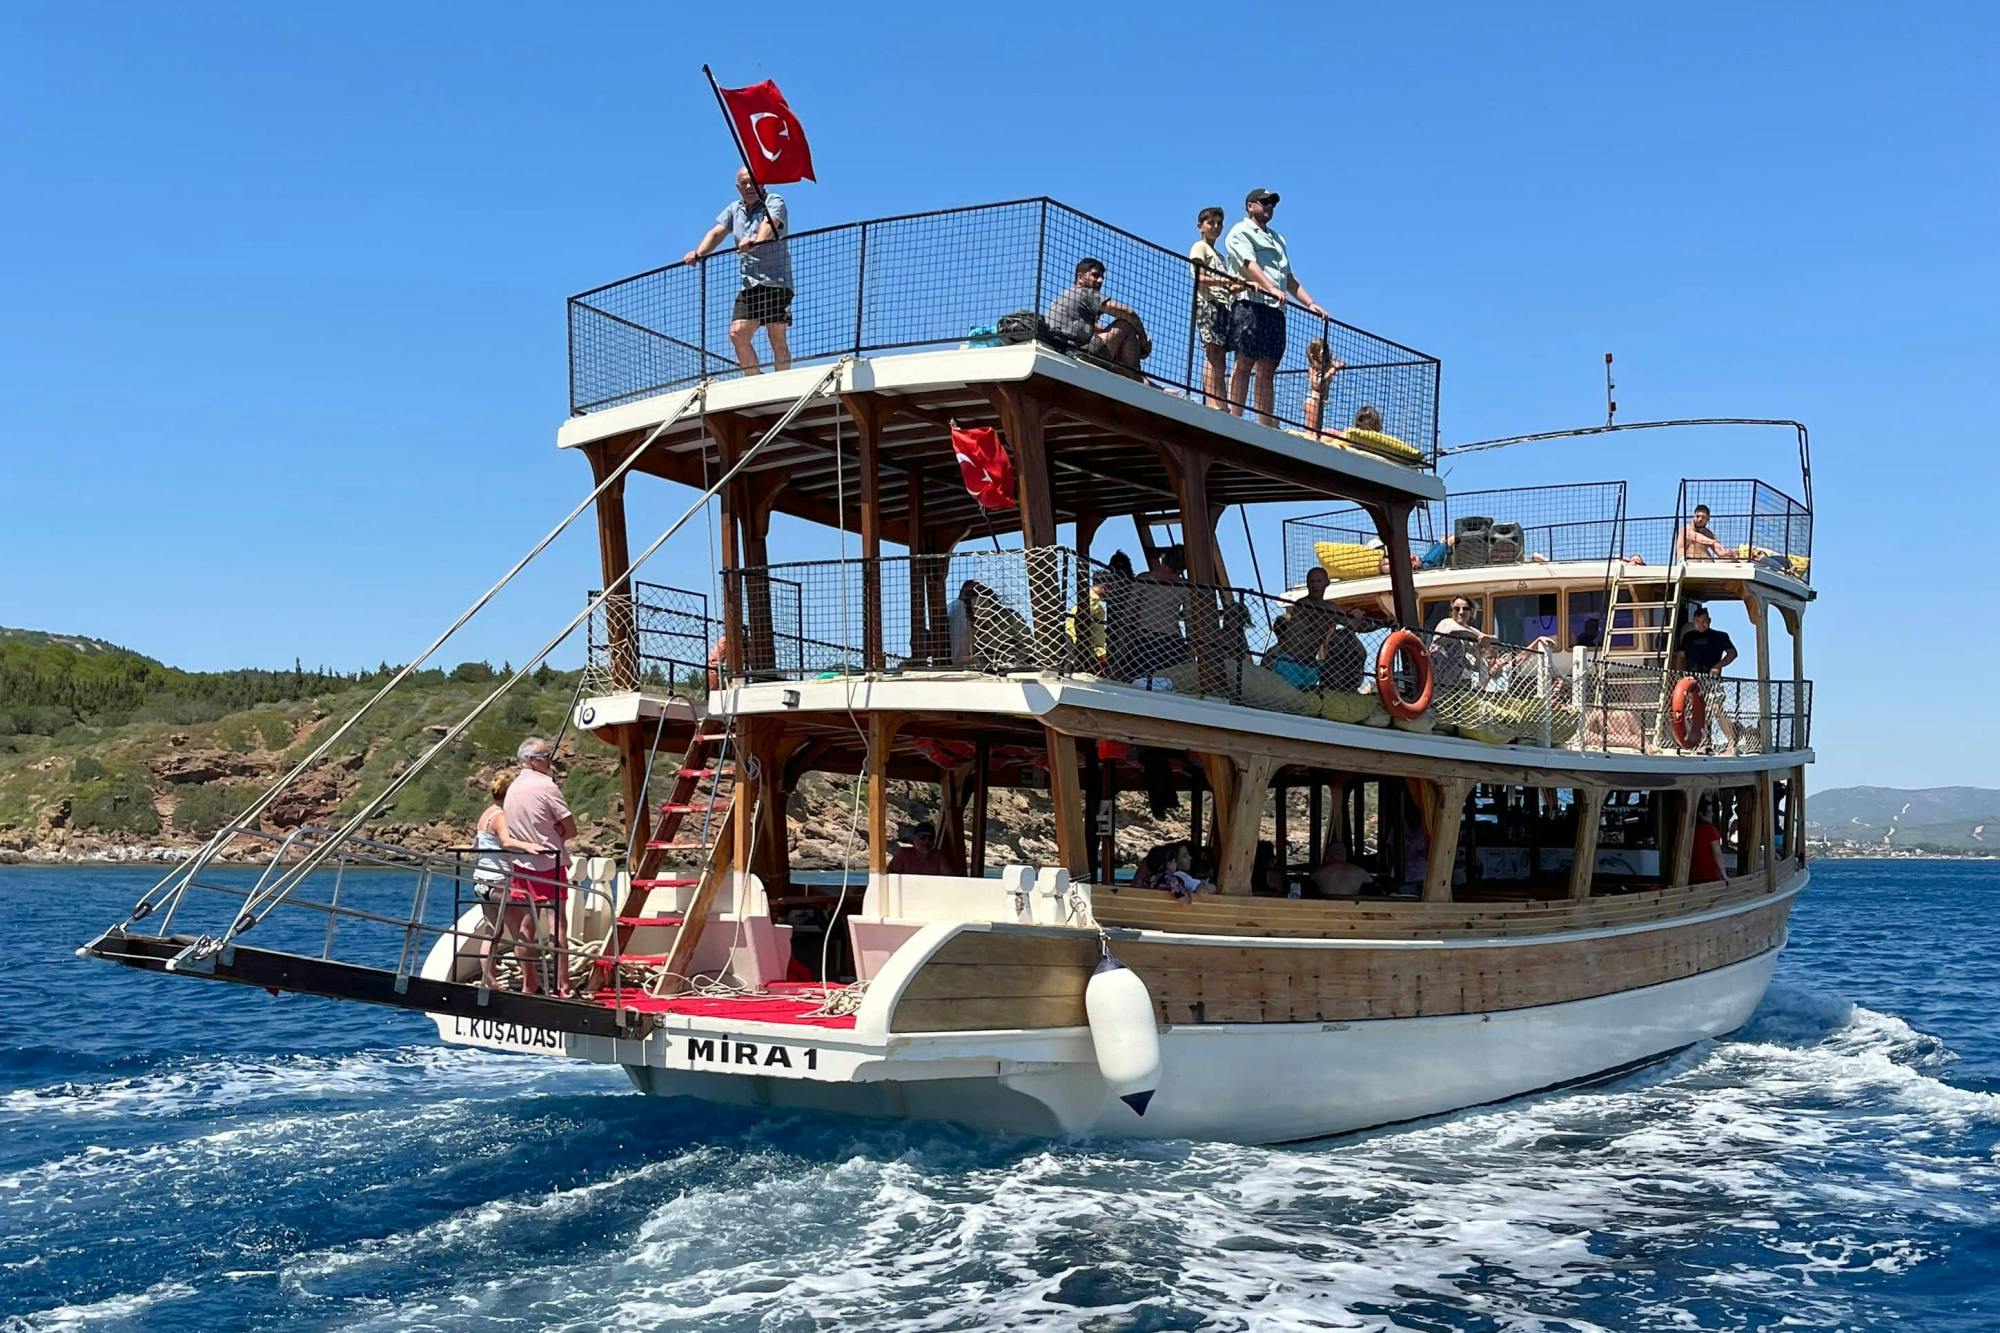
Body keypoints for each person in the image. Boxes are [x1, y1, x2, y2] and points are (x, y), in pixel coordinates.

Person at [1224, 188, 1329, 425]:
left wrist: (1310, 303)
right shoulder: (1239, 231)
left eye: (1272, 203)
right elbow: (1249, 263)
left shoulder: (1278, 238)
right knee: (1245, 361)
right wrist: (1270, 287)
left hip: (1276, 310)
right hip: (1251, 303)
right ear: (1250, 205)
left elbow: (1289, 278)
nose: (1269, 206)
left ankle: (1265, 423)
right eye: (1264, 202)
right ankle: (1235, 418)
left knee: (1268, 366)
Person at [683, 169, 793, 374]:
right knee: (737, 334)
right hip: (749, 285)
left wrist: (756, 241)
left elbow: (771, 223)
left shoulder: (774, 201)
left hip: (776, 282)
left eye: (754, 182)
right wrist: (698, 253)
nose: (749, 187)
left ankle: (782, 383)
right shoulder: (734, 209)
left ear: (762, 184)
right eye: (744, 183)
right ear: (738, 187)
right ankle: (756, 381)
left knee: (776, 336)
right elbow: (716, 232)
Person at [503, 736, 578, 996]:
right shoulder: (546, 787)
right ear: (533, 761)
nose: (551, 761)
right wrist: (558, 831)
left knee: (526, 927)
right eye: (547, 756)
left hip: (520, 864)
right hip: (548, 863)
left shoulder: (512, 789)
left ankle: (529, 982)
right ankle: (564, 984)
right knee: (558, 925)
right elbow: (571, 829)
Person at [472, 771, 547, 991]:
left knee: (493, 930)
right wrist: (529, 847)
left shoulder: (485, 815)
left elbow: (478, 845)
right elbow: (505, 840)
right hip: (498, 881)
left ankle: (489, 979)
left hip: (481, 879)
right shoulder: (501, 816)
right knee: (521, 932)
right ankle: (530, 982)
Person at [1045, 258, 1150, 374]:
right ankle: (1136, 376)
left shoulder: (1063, 297)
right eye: (1095, 275)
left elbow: (1083, 329)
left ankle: (1142, 379)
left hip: (1062, 348)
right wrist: (1143, 340)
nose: (1100, 281)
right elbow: (1128, 313)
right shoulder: (1085, 293)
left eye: (1102, 278)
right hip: (1079, 352)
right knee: (1125, 325)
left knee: (1118, 340)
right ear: (1080, 277)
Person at [1189, 206, 1241, 409]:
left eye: (1219, 223)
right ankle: (1214, 403)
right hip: (1208, 303)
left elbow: (1226, 284)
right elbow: (1199, 277)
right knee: (1213, 353)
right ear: (1200, 226)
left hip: (1223, 306)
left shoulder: (1220, 256)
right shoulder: (1199, 247)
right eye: (1211, 222)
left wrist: (1236, 286)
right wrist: (1224, 282)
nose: (1216, 227)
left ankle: (1220, 401)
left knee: (1220, 355)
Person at [1672, 603, 1740, 753]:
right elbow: (1681, 657)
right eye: (1697, 621)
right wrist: (1678, 675)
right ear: (1693, 622)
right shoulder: (1688, 637)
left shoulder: (1719, 636)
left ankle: (1731, 743)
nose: (1700, 624)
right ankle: (1702, 743)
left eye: (1703, 621)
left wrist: (1719, 665)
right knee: (1691, 712)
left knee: (1716, 708)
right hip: (1691, 680)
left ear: (1709, 621)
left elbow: (1733, 653)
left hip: (1711, 679)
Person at [1123, 546, 1190, 678]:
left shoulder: (1144, 579)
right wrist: (1191, 648)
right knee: (1167, 682)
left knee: (1136, 682)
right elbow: (1189, 618)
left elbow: (1129, 612)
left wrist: (1123, 641)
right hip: (1171, 641)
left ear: (1164, 559)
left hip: (1144, 639)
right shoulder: (1184, 586)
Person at [1300, 339, 1347, 437]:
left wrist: (1336, 365)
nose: (1324, 358)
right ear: (1315, 356)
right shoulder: (1313, 369)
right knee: (1312, 430)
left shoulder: (1325, 367)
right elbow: (1317, 384)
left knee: (1317, 429)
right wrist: (1331, 371)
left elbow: (1341, 363)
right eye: (1322, 355)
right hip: (1313, 400)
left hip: (1321, 402)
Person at [887, 824, 953, 876]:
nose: (927, 841)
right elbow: (891, 876)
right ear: (914, 839)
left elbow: (949, 878)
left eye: (931, 838)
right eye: (923, 837)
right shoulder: (903, 854)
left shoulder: (938, 856)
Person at [1690, 798, 1726, 883]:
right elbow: (1717, 853)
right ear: (1700, 814)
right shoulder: (1711, 831)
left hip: (1693, 876)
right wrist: (1724, 874)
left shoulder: (1691, 831)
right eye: (1709, 812)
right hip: (1711, 875)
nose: (1712, 814)